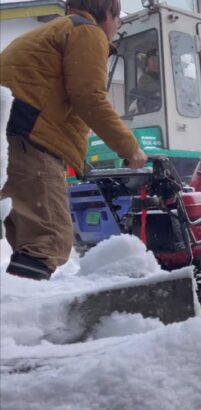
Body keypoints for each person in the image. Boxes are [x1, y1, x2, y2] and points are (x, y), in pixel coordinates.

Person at [0, 0, 148, 280]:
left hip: (10, 137)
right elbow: (88, 97)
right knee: (48, 237)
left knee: (29, 237)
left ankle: (18, 308)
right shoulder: (86, 32)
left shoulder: (51, 31)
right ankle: (26, 317)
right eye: (118, 21)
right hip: (28, 139)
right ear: (107, 14)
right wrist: (130, 149)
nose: (116, 28)